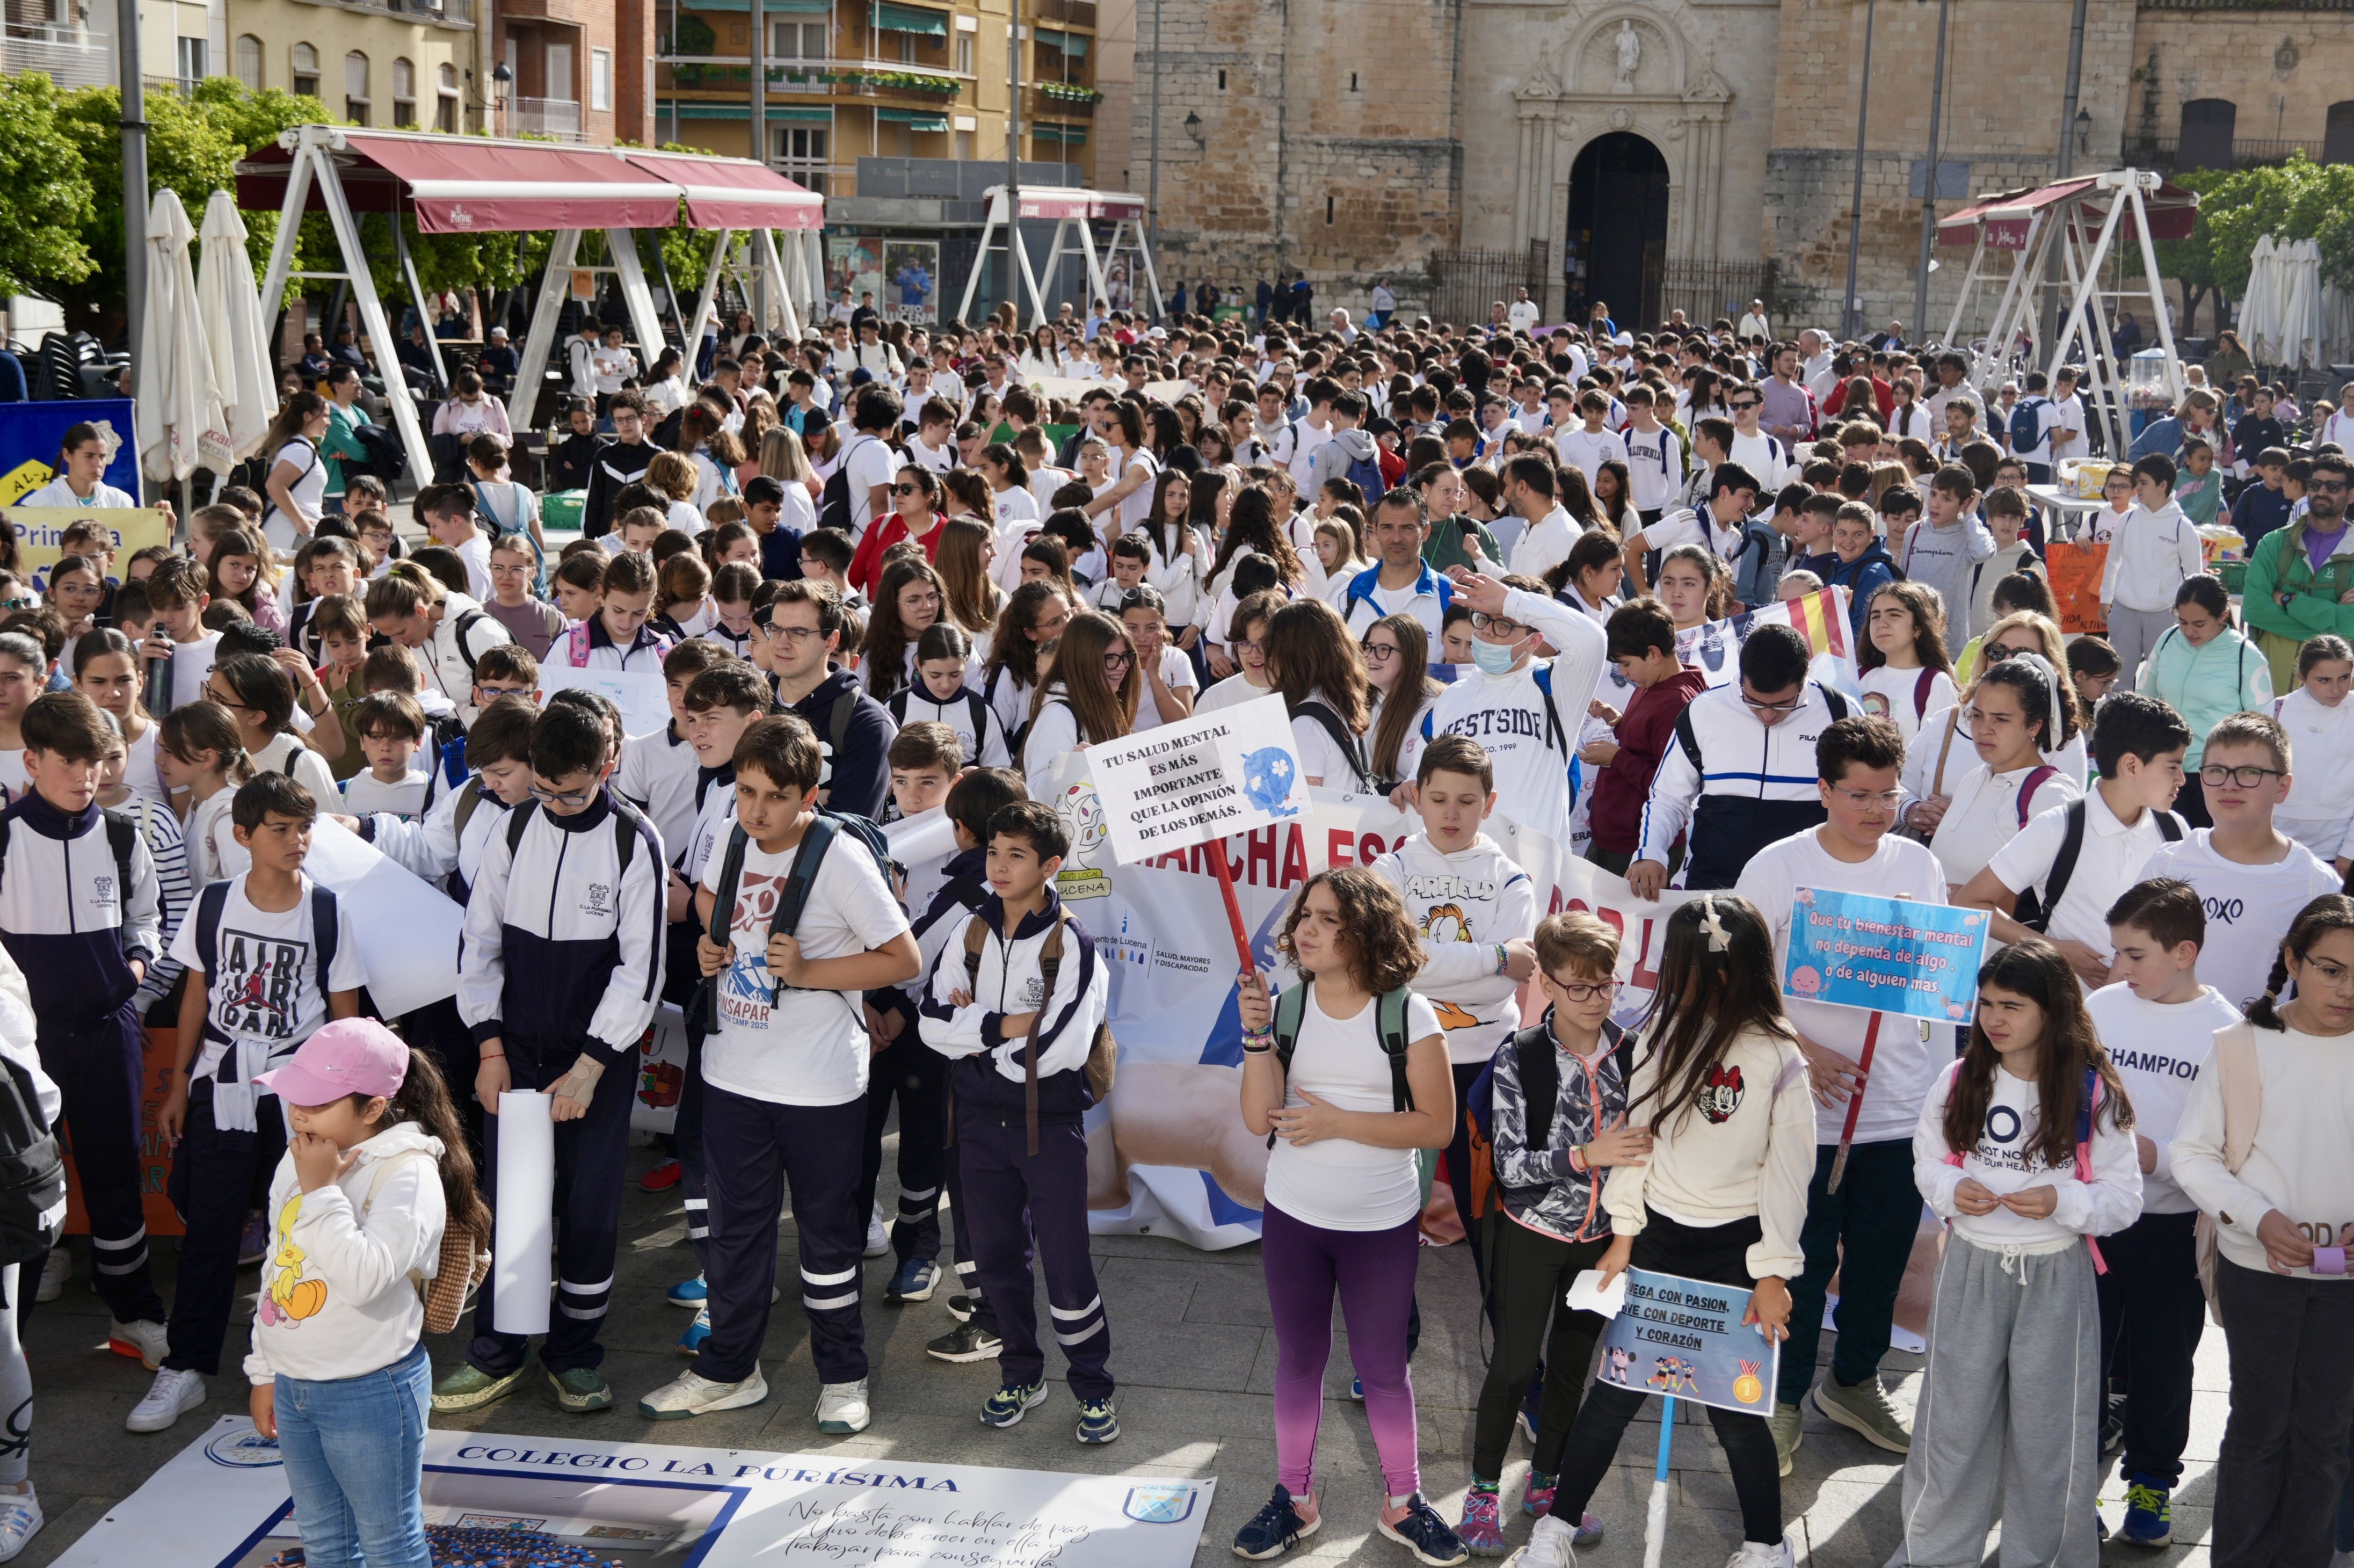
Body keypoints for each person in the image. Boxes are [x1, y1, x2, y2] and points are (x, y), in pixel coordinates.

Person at [640, 715, 918, 1428]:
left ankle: (845, 1377)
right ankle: (729, 1371)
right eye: (746, 792)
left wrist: (811, 970)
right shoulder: (733, 835)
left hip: (819, 1085)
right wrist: (712, 945)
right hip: (733, 1074)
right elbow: (711, 900)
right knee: (735, 1237)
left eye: (775, 796)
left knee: (827, 1237)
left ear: (810, 796)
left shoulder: (839, 859)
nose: (756, 810)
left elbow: (902, 959)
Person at [1540, 895, 1812, 1568]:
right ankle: (1555, 1531)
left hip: (1736, 1250)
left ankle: (1765, 1545)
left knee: (1738, 1410)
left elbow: (1789, 1173)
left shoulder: (1779, 1054)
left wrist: (1774, 1270)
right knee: (1613, 1393)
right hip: (1659, 1239)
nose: (1672, 980)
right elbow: (1636, 1143)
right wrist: (1624, 1235)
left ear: (1727, 970)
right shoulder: (1660, 1035)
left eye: (1685, 967)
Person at [1227, 869, 1465, 1566]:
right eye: (1305, 914)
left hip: (1380, 1226)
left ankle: (1404, 1503)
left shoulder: (1407, 1015)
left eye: (1328, 918)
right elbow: (1257, 1119)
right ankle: (1294, 1499)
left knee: (1384, 1370)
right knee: (1299, 1361)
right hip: (1293, 1217)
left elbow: (1438, 1125)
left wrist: (1337, 1122)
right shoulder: (1288, 1008)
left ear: (1365, 932)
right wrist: (1255, 1037)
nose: (1307, 928)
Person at [433, 702, 664, 1416]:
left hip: (598, 1060)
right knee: (515, 1203)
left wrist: (591, 1067)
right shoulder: (513, 825)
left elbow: (642, 969)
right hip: (515, 1053)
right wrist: (489, 1047)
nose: (554, 805)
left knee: (589, 1209)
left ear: (607, 767)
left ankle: (575, 1355)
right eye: (543, 789)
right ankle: (497, 1351)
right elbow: (480, 942)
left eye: (571, 792)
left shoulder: (634, 841)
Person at [1735, 715, 1951, 1475]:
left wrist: (1943, 1095)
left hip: (1896, 1104)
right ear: (1823, 789)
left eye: (1888, 795)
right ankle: (1784, 1396)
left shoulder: (1918, 865)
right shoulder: (1776, 867)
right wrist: (1802, 1045)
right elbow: (1734, 982)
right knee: (1795, 1258)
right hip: (1802, 1108)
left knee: (1881, 1259)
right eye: (1859, 794)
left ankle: (1854, 1381)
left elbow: (1936, 985)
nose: (1876, 810)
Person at [131, 772, 364, 1436]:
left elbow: (346, 1018)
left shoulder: (327, 911)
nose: (297, 841)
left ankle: (301, 1366)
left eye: (304, 828)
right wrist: (180, 1082)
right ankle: (187, 1364)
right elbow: (197, 995)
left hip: (300, 1092)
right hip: (222, 1081)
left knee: (301, 1231)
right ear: (242, 835)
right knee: (210, 1229)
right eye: (280, 829)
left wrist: (344, 1108)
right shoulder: (214, 903)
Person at [1898, 938, 2142, 1568]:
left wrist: (2063, 1200)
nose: (1994, 1018)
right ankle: (1933, 1554)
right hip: (1970, 1264)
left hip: (2057, 1275)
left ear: (2052, 1010)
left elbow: (2123, 1199)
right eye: (1985, 1003)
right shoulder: (1960, 1078)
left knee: (2051, 1434)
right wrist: (1951, 1187)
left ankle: (2046, 1556)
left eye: (2011, 1005)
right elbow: (1927, 1159)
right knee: (1951, 1424)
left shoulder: (2094, 1093)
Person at [242, 1018, 486, 1568]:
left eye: (317, 1101)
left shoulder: (409, 1172)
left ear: (374, 1107)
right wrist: (265, 1371)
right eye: (295, 1095)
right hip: (295, 1384)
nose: (299, 1113)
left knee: (389, 1543)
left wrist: (321, 1190)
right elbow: (278, 1268)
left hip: (372, 1389)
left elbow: (364, 1278)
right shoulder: (301, 1154)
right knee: (324, 1541)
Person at [918, 800, 1118, 1441]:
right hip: (977, 1126)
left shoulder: (1072, 941)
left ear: (1050, 866)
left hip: (1048, 1128)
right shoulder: (969, 930)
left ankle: (1093, 1387)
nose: (999, 866)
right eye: (993, 851)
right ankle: (1021, 1375)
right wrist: (1003, 1028)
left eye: (1016, 855)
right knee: (998, 1257)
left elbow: (1063, 1046)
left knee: (1066, 1261)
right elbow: (930, 1021)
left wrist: (976, 1042)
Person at [2171, 892, 2354, 1568]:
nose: (2346, 989)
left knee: (2326, 1433)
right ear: (2292, 961)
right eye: (2331, 969)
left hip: (2347, 1281)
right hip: (2258, 1269)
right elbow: (2192, 1153)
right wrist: (2259, 1217)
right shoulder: (2239, 1045)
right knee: (2258, 1427)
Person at [1455, 911, 1636, 1551]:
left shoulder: (1634, 1053)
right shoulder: (1521, 1054)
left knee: (1570, 1369)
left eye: (1605, 984)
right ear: (1548, 985)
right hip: (1529, 1233)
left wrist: (1627, 1235)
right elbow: (1509, 1166)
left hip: (1602, 1243)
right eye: (1578, 985)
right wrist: (1589, 1154)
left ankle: (1548, 1483)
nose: (1595, 998)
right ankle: (1481, 1493)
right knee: (1512, 1367)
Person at [0, 691, 169, 1363]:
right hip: (23, 1046)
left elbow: (148, 919)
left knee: (116, 1174)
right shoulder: (5, 837)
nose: (84, 775)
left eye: (94, 761)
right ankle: (11, 1341)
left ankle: (133, 1313)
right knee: (20, 1181)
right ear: (32, 761)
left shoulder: (124, 834)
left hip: (107, 1029)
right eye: (68, 761)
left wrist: (133, 970)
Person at [2084, 877, 2240, 1548]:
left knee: (2164, 1362)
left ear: (2183, 952)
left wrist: (2161, 1155)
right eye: (2116, 951)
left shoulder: (2226, 1029)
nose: (2119, 966)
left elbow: (2235, 1143)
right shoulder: (2100, 1007)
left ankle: (2150, 1484)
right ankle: (2073, 1485)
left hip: (2174, 1227)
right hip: (2091, 1220)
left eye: (2134, 954)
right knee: (2080, 1358)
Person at [1957, 691, 2191, 989]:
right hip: (2069, 1011)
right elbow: (1969, 902)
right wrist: (2052, 949)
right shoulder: (2058, 827)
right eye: (2173, 766)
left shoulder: (2175, 830)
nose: (2182, 779)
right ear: (2131, 766)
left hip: (2148, 1010)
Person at [2135, 711, 2337, 1013]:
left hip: (2265, 1039)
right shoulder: (2167, 864)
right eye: (2217, 770)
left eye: (2250, 772)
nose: (2229, 785)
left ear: (2283, 787)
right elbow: (2128, 963)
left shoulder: (2316, 884)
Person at [1631, 623, 1852, 897]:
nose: (1768, 715)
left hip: (1805, 892)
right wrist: (1650, 852)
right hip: (1713, 887)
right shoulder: (1703, 710)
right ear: (1741, 676)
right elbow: (1668, 797)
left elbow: (1867, 794)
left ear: (1805, 675)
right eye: (1754, 702)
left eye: (1783, 704)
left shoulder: (1840, 711)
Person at [1920, 652, 2082, 892]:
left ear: (2034, 726)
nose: (1984, 729)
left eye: (2001, 719)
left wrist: (1966, 899)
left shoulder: (2051, 795)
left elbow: (2051, 894)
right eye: (1977, 715)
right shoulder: (1973, 779)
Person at [2141, 575, 2275, 829]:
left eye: (2199, 624)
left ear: (2222, 616)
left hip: (2217, 777)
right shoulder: (2168, 639)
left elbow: (2263, 726)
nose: (2189, 631)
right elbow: (2144, 700)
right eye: (2182, 622)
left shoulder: (2246, 655)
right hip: (2165, 770)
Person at [2241, 449, 2354, 693]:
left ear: (2352, 495)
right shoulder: (2273, 544)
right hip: (2271, 689)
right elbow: (2254, 609)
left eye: (2333, 487)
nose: (2322, 492)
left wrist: (2289, 601)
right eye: (2315, 485)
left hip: (2337, 695)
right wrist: (2335, 619)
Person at [2101, 454, 2208, 694]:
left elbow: (2195, 577)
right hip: (2124, 611)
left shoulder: (2182, 527)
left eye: (2143, 483)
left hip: (2164, 615)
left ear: (2163, 485)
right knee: (2117, 680)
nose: (2137, 489)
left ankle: (2156, 720)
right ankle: (2115, 718)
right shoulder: (2127, 519)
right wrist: (2106, 599)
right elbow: (2113, 562)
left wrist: (2190, 617)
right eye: (2137, 483)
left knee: (2162, 681)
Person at [2268, 634, 2354, 870]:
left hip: (2340, 849)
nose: (2336, 689)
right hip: (2278, 842)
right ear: (2303, 677)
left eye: (2344, 678)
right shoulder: (2278, 709)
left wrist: (2350, 850)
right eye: (2324, 680)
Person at [1856, 582, 1958, 745]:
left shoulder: (1936, 683)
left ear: (1918, 627)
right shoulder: (1859, 676)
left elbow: (1939, 751)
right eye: (1875, 616)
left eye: (1894, 615)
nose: (1882, 623)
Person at [23, 422, 136, 509]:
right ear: (68, 455)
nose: (98, 464)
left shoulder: (120, 502)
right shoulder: (38, 504)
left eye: (102, 457)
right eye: (89, 456)